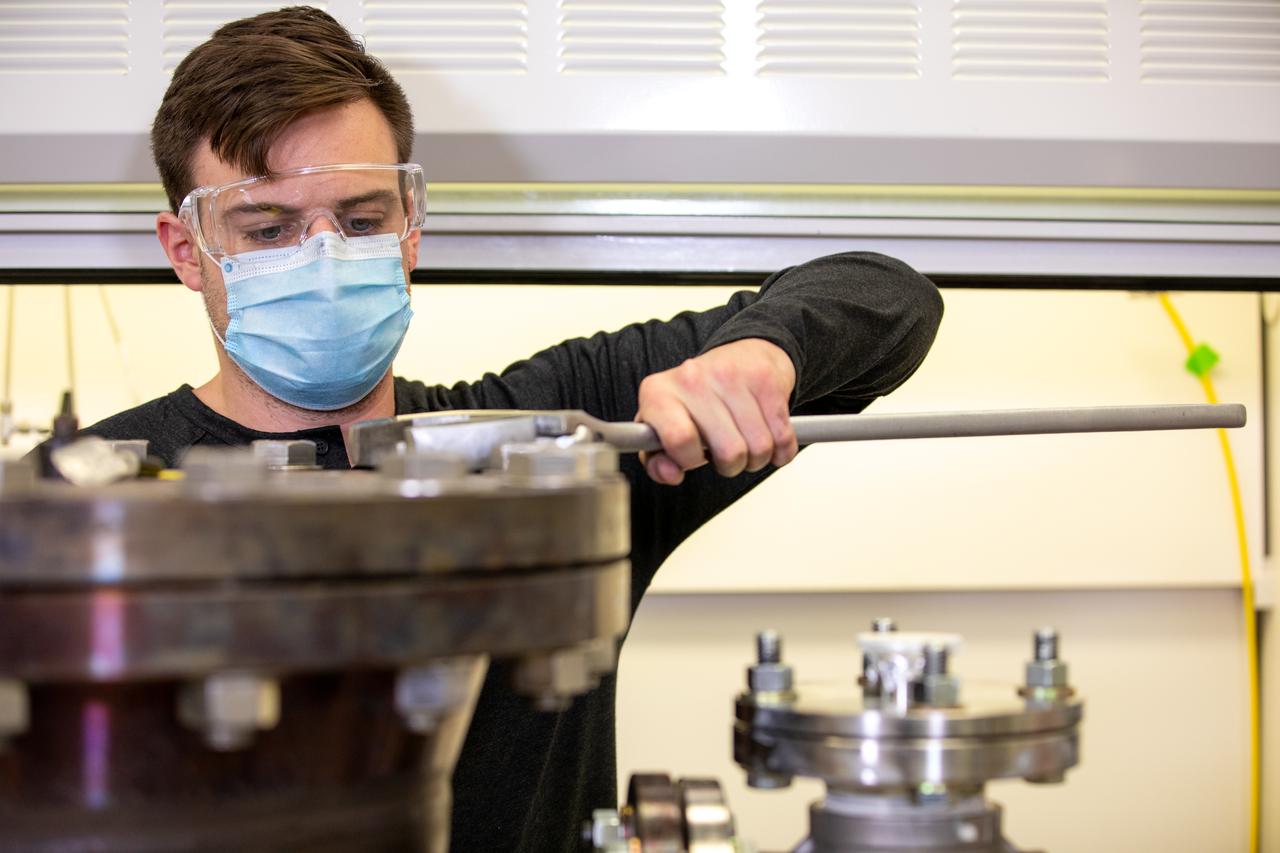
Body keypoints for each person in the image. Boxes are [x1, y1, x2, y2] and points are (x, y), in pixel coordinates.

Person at [79, 7, 944, 850]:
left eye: (362, 220)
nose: (325, 256)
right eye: (269, 230)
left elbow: (889, 298)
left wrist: (758, 352)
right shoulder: (83, 493)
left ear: (410, 227)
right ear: (186, 249)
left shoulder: (558, 439)